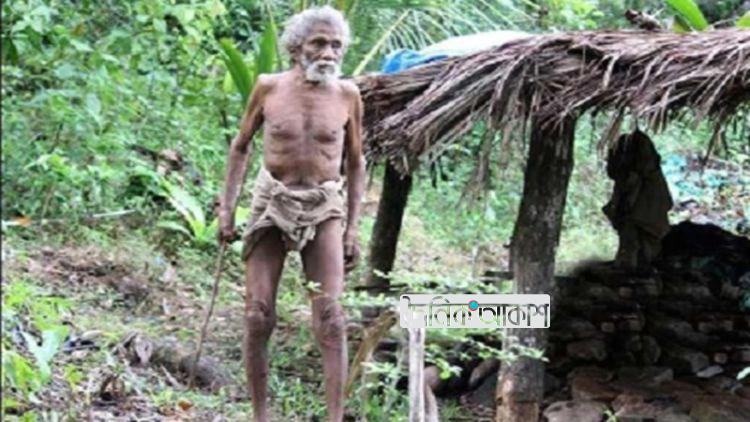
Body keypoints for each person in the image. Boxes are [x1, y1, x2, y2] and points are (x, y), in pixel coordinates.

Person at [217, 6, 365, 421]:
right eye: (319, 43)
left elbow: (356, 163)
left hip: (324, 205)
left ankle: (334, 417)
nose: (328, 53)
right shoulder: (269, 87)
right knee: (257, 314)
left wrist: (353, 228)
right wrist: (227, 209)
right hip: (272, 200)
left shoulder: (347, 96)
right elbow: (241, 147)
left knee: (332, 318)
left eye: (336, 45)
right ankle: (260, 416)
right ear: (297, 47)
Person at [603, 129, 673, 272]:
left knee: (637, 256)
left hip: (641, 220)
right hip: (645, 221)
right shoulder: (651, 176)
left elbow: (630, 204)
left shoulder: (641, 177)